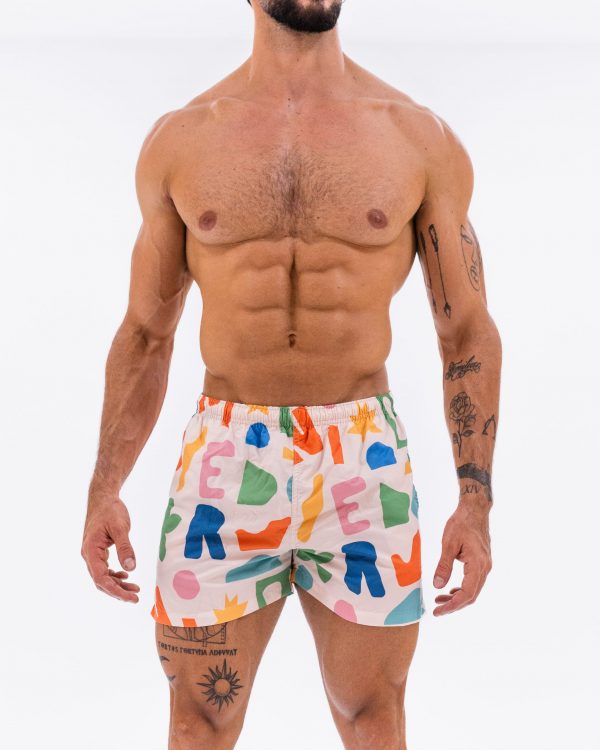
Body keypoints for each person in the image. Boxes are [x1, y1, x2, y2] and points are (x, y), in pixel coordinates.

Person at [81, 1, 502, 747]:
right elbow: (146, 333)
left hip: (363, 458)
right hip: (224, 454)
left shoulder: (418, 139)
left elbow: (465, 330)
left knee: (372, 717)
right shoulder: (181, 141)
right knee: (198, 721)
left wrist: (476, 502)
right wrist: (104, 487)